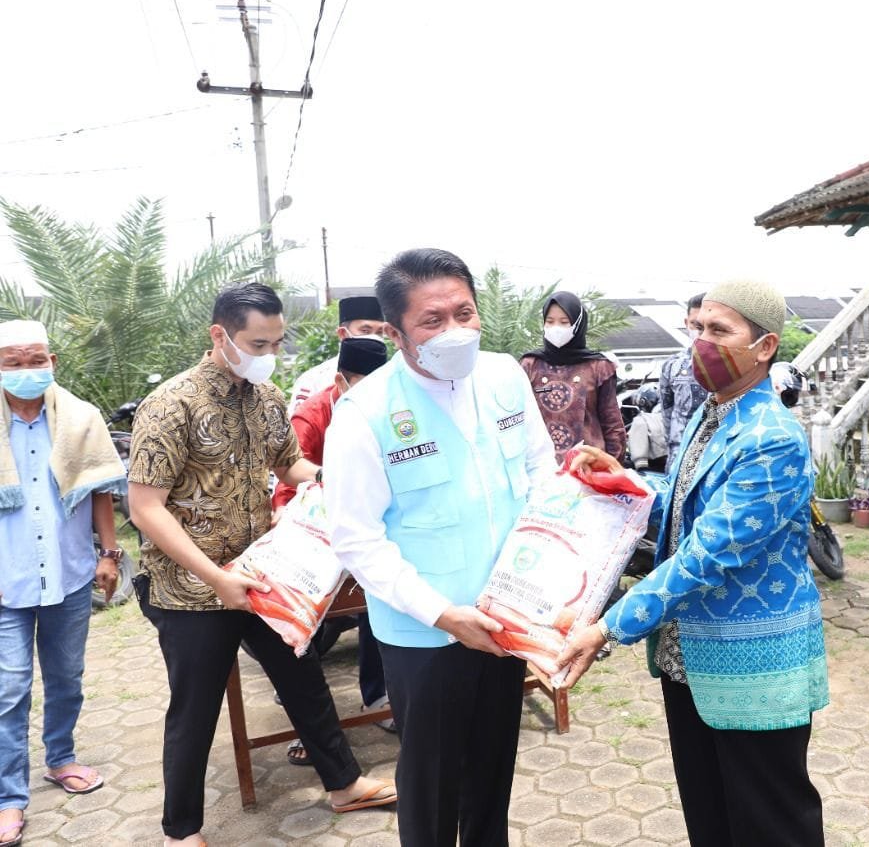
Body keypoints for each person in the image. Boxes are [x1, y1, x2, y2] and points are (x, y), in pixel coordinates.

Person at [559, 280, 829, 847]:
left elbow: (709, 552)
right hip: (689, 655)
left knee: (770, 822)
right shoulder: (714, 411)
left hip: (753, 662)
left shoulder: (773, 437)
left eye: (720, 331)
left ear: (765, 346)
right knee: (710, 816)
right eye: (698, 328)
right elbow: (687, 500)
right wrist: (626, 480)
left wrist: (609, 627)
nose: (701, 343)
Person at [128, 283, 396, 847]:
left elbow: (290, 462)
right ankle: (182, 832)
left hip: (259, 573)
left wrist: (327, 482)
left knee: (303, 678)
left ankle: (343, 784)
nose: (267, 353)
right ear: (219, 335)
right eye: (257, 342)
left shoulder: (267, 397)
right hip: (190, 590)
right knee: (195, 710)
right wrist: (217, 578)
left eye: (276, 342)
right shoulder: (171, 404)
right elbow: (145, 508)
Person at [324, 248, 557, 847]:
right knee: (429, 787)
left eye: (464, 312)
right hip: (425, 634)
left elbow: (541, 473)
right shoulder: (363, 413)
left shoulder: (506, 375)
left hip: (505, 618)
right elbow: (356, 538)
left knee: (492, 772)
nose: (454, 331)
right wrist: (442, 614)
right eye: (432, 320)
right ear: (396, 333)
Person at [0, 320, 127, 847]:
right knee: (8, 690)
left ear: (52, 361)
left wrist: (109, 554)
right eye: (13, 362)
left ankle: (61, 757)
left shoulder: (80, 418)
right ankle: (9, 797)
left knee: (67, 676)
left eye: (36, 360)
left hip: (69, 573)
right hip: (6, 583)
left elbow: (99, 490)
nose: (28, 371)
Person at [271, 336, 394, 756]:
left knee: (381, 599)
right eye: (365, 384)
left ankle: (379, 696)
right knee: (302, 629)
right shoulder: (313, 414)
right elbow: (285, 482)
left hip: (371, 527)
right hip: (315, 530)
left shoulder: (391, 405)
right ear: (341, 381)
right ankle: (306, 727)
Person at [519, 291, 625, 464]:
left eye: (564, 322)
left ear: (577, 324)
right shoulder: (530, 365)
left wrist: (612, 466)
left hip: (589, 467)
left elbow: (613, 426)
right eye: (550, 322)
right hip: (542, 468)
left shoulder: (599, 367)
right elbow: (518, 421)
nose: (556, 328)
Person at [287, 295, 386, 416]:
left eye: (379, 332)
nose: (374, 338)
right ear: (342, 333)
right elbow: (299, 429)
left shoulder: (391, 375)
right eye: (365, 331)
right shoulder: (313, 380)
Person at [659, 292, 709, 462]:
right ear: (687, 323)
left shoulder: (734, 367)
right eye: (696, 325)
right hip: (680, 453)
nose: (701, 332)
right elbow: (666, 413)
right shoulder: (672, 365)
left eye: (708, 326)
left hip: (716, 454)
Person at [625, 383, 666, 472]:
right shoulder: (676, 417)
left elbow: (640, 462)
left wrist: (641, 468)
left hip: (653, 470)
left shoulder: (641, 420)